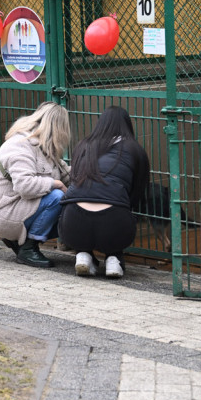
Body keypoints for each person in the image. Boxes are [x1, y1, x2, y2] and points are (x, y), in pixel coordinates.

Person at [58, 106, 150, 279]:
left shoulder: (83, 145)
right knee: (118, 213)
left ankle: (83, 255)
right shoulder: (135, 149)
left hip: (73, 224)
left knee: (82, 211)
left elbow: (74, 179)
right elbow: (137, 192)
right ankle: (114, 258)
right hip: (114, 223)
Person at [0, 102, 71, 268]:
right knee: (57, 197)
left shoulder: (43, 146)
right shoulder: (19, 145)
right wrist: (56, 184)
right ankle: (28, 248)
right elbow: (25, 186)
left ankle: (19, 242)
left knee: (71, 213)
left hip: (17, 207)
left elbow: (67, 174)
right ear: (57, 127)